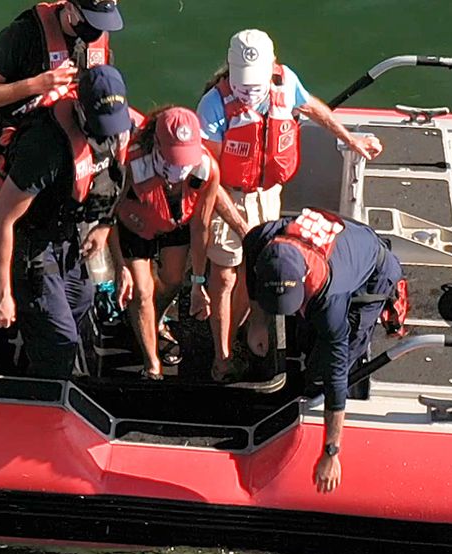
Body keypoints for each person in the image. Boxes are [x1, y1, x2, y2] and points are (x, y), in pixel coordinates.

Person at [196, 29, 384, 381]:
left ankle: (255, 323)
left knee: (258, 266)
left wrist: (350, 139)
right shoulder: (213, 107)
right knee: (224, 276)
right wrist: (242, 227)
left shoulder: (286, 83)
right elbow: (210, 179)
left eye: (255, 82)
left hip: (267, 192)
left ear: (272, 67)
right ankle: (222, 356)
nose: (249, 91)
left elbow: (311, 106)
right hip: (228, 197)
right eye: (242, 82)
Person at [0, 1, 124, 355]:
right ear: (70, 8)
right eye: (89, 20)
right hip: (24, 160)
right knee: (4, 266)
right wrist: (35, 84)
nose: (96, 30)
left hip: (64, 165)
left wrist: (103, 221)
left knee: (74, 299)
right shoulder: (25, 35)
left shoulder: (97, 41)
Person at [0, 65, 132, 379]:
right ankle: (43, 388)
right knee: (60, 340)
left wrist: (104, 225)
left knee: (81, 302)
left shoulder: (118, 127)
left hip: (68, 234)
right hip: (33, 243)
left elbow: (118, 177)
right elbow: (1, 219)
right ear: (80, 107)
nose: (107, 132)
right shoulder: (45, 147)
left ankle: (40, 357)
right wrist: (2, 293)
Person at [244, 209, 404, 493]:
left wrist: (331, 451)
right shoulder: (260, 239)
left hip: (371, 273)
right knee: (308, 334)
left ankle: (320, 402)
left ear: (305, 276)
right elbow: (251, 276)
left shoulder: (330, 298)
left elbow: (336, 374)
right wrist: (257, 321)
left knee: (326, 368)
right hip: (345, 246)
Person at [110, 108, 218, 379]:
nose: (180, 168)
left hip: (175, 222)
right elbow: (108, 215)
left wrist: (198, 282)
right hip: (135, 225)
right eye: (174, 158)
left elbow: (201, 225)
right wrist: (120, 266)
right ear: (157, 145)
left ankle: (151, 322)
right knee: (142, 291)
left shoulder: (206, 170)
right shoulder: (131, 163)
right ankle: (152, 364)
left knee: (172, 280)